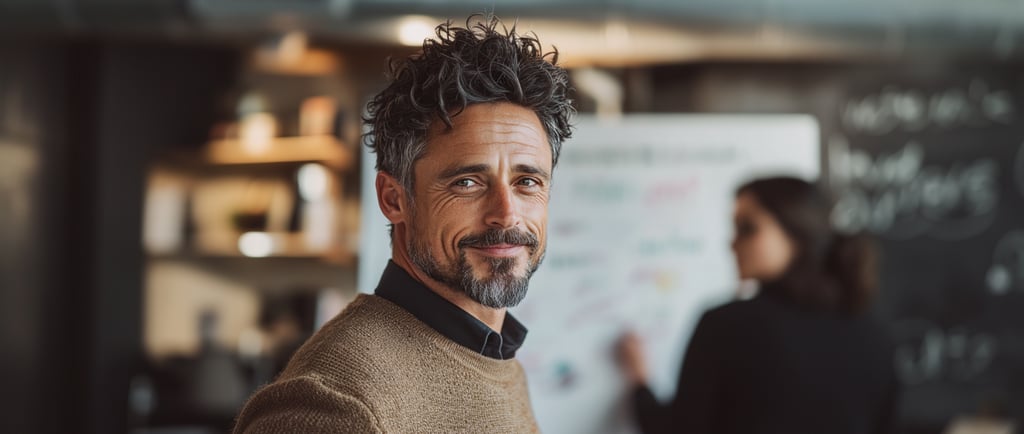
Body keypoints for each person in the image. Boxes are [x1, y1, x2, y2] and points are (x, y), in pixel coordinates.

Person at [232, 14, 573, 434]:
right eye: (467, 182)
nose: (506, 213)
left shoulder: (495, 358)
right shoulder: (337, 404)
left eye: (527, 182)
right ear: (394, 199)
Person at [617, 176, 899, 434]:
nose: (732, 243)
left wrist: (640, 383)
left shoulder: (727, 327)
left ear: (797, 233)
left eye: (747, 228)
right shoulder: (871, 331)